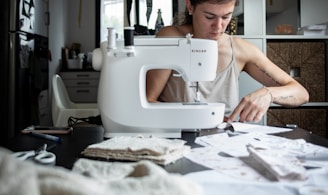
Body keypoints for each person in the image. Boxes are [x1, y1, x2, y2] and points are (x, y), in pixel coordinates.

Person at [146, 0, 309, 123]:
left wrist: (268, 94)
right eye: (209, 16)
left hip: (223, 138)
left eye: (226, 17)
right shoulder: (171, 38)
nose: (218, 26)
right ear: (190, 6)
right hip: (177, 134)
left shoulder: (241, 50)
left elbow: (301, 93)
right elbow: (148, 100)